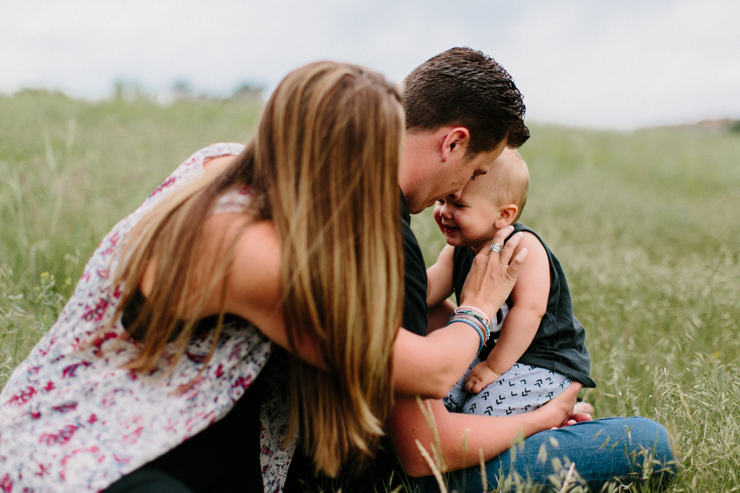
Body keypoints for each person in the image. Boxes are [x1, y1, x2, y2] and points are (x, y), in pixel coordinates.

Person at [0, 61, 529, 493]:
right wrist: (478, 307)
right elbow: (428, 371)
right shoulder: (251, 255)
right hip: (82, 463)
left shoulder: (223, 167)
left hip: (86, 428)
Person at [388, 48, 677, 492]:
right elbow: (423, 451)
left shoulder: (347, 198)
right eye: (474, 172)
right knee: (650, 442)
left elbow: (526, 312)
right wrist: (546, 415)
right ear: (453, 143)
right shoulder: (392, 238)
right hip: (409, 460)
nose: (452, 196)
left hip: (504, 375)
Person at [427, 148, 596, 418]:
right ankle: (539, 407)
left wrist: (493, 368)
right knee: (441, 400)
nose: (444, 212)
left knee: (480, 414)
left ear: (504, 215)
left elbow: (530, 311)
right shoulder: (459, 250)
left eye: (458, 205)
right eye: (442, 201)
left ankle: (555, 414)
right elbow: (426, 291)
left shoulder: (522, 248)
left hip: (541, 362)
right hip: (491, 355)